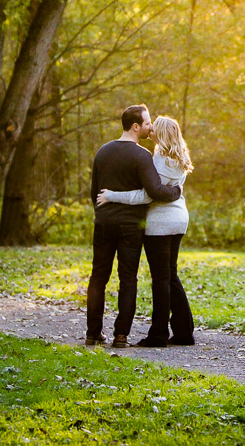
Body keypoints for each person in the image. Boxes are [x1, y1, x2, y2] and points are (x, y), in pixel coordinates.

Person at [86, 105, 182, 349]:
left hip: (104, 222)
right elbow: (154, 192)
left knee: (98, 277)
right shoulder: (142, 156)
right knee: (128, 278)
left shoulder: (102, 152)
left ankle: (93, 333)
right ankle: (121, 336)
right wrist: (176, 191)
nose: (151, 127)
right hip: (131, 226)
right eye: (147, 123)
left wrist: (103, 212)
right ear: (136, 126)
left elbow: (93, 192)